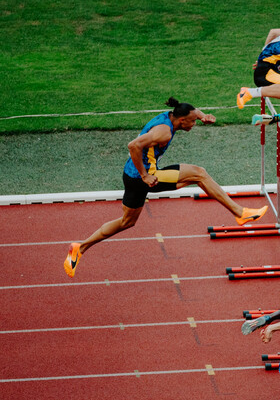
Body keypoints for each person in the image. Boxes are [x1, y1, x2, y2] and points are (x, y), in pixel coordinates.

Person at [63, 98, 269, 278]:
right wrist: (145, 175)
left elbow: (193, 110)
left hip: (131, 175)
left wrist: (203, 116)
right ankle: (239, 212)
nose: (194, 125)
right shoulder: (163, 132)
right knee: (199, 173)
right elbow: (133, 145)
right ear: (181, 121)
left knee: (127, 222)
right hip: (144, 177)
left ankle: (79, 248)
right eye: (192, 123)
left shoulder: (177, 113)